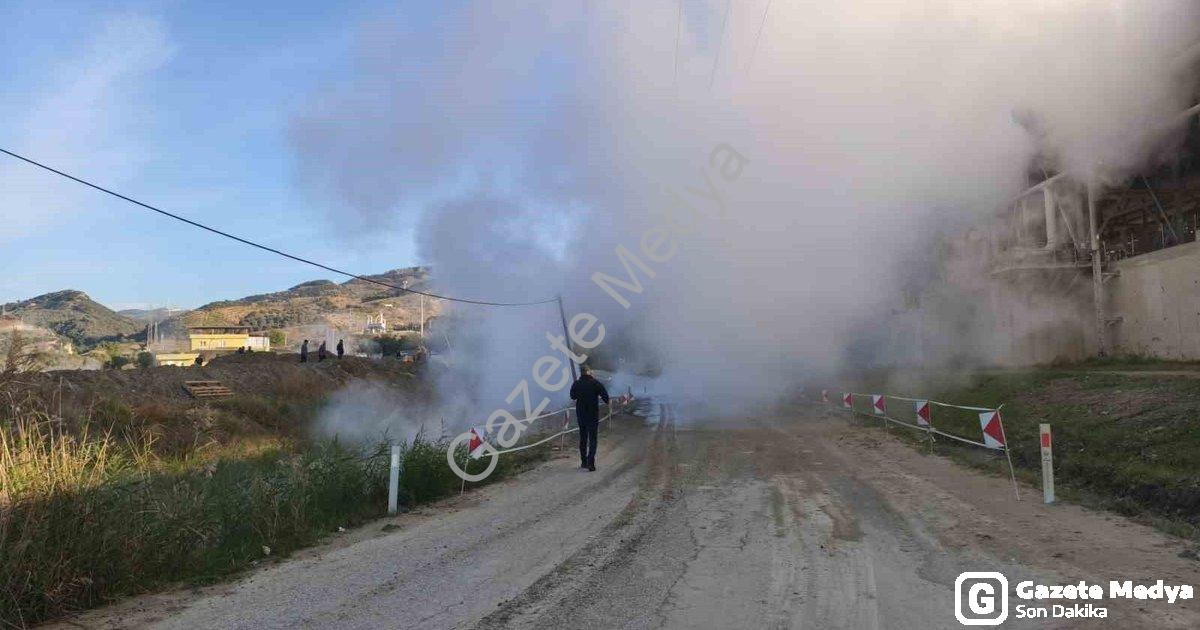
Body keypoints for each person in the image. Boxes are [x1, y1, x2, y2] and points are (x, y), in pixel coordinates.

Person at [569, 365, 609, 472]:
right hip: (593, 414)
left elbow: (572, 396)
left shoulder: (576, 383)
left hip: (581, 415)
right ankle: (591, 462)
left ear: (581, 373)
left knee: (583, 438)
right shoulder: (595, 383)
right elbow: (606, 397)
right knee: (593, 439)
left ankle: (583, 461)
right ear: (589, 372)